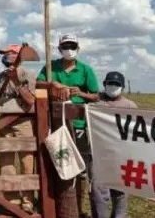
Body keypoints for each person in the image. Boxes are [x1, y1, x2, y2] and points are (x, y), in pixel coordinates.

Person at [36, 33, 99, 218]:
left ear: (77, 49)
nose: (69, 49)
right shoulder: (51, 67)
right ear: (59, 49)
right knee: (57, 163)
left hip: (79, 124)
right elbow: (37, 83)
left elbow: (95, 95)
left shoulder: (85, 70)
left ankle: (77, 207)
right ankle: (54, 206)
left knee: (78, 167)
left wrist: (81, 93)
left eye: (72, 46)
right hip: (54, 123)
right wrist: (52, 84)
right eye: (65, 46)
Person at [0, 44, 37, 213]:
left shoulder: (27, 74)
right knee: (6, 161)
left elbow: (31, 101)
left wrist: (16, 82)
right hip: (5, 123)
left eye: (9, 53)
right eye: (4, 54)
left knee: (26, 162)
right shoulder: (1, 76)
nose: (5, 56)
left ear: (18, 56)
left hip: (23, 123)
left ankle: (28, 201)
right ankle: (11, 200)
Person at [89, 71, 136, 218]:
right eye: (110, 83)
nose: (113, 86)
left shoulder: (130, 106)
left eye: (116, 84)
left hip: (122, 155)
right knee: (98, 190)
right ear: (104, 84)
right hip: (99, 154)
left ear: (122, 87)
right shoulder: (95, 103)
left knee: (121, 191)